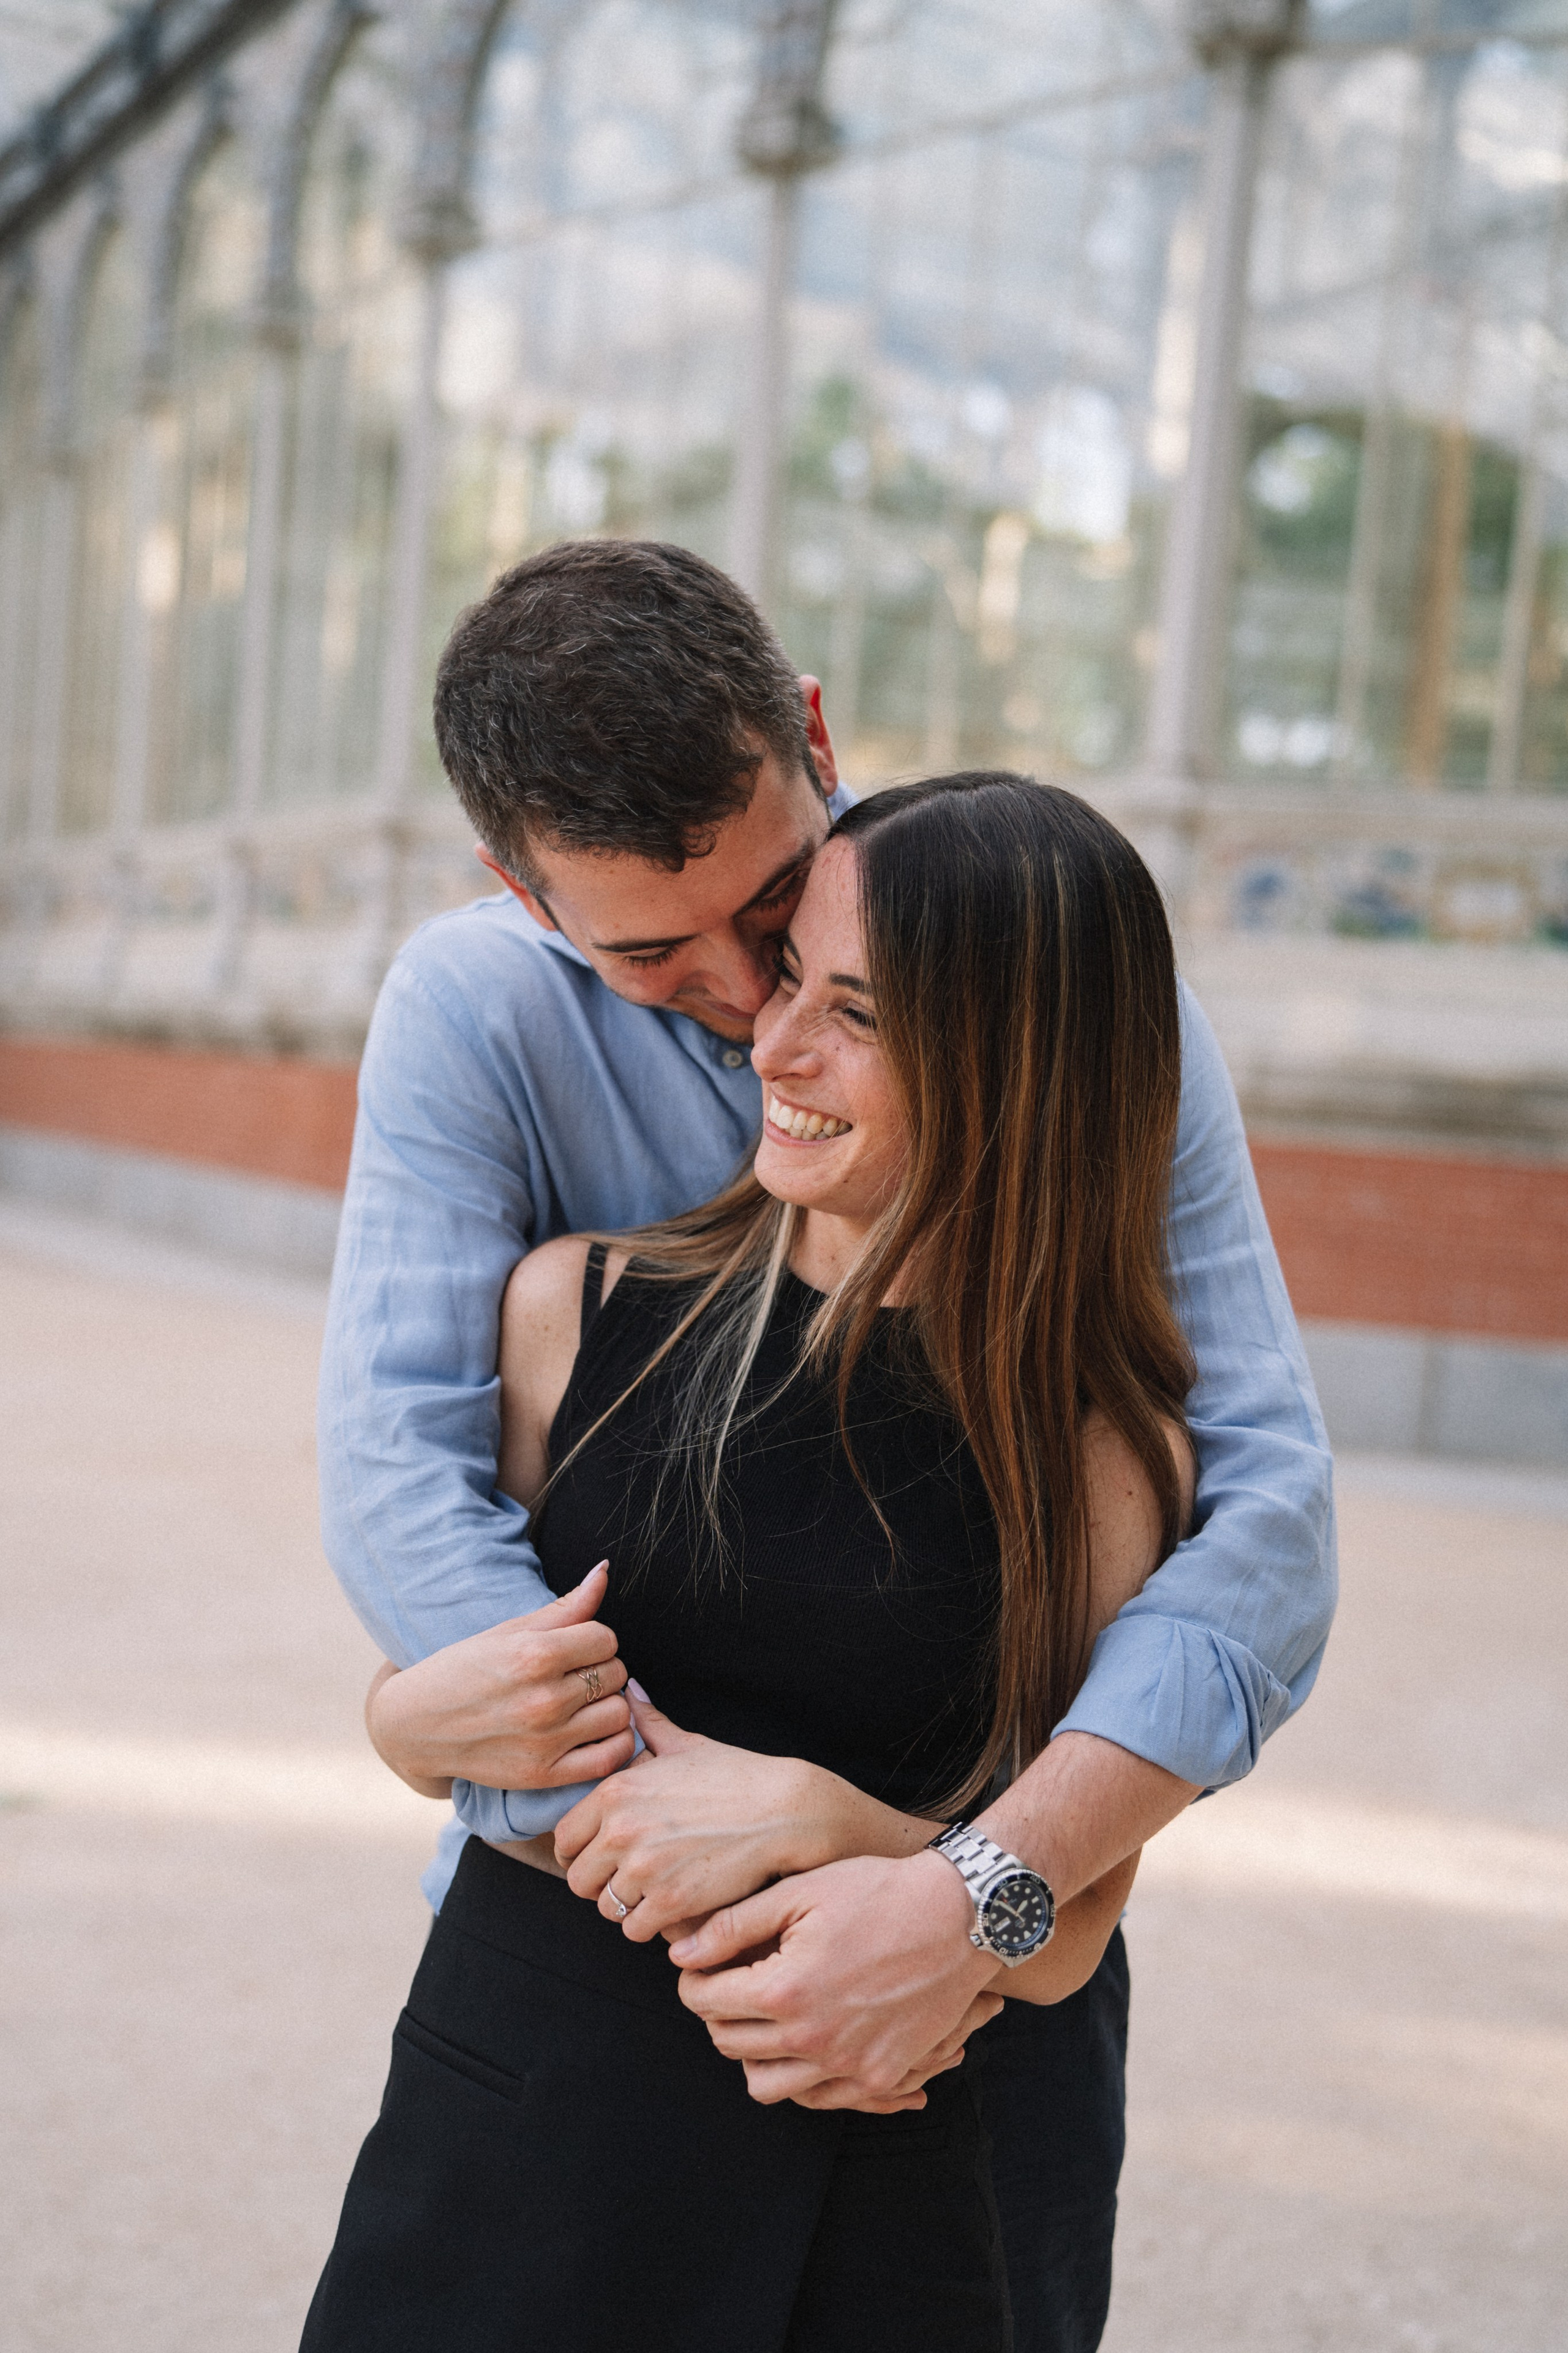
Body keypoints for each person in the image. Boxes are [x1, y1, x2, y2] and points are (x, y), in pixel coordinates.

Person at [315, 540, 1335, 2349]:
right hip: (573, 2001)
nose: (746, 1003)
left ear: (811, 726)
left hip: (951, 2057)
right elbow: (403, 1485)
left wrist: (963, 1897)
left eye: (783, 920)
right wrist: (655, 1831)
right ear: (516, 888)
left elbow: (1260, 1538)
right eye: (651, 949)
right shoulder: (489, 1069)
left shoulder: (1069, 1002)